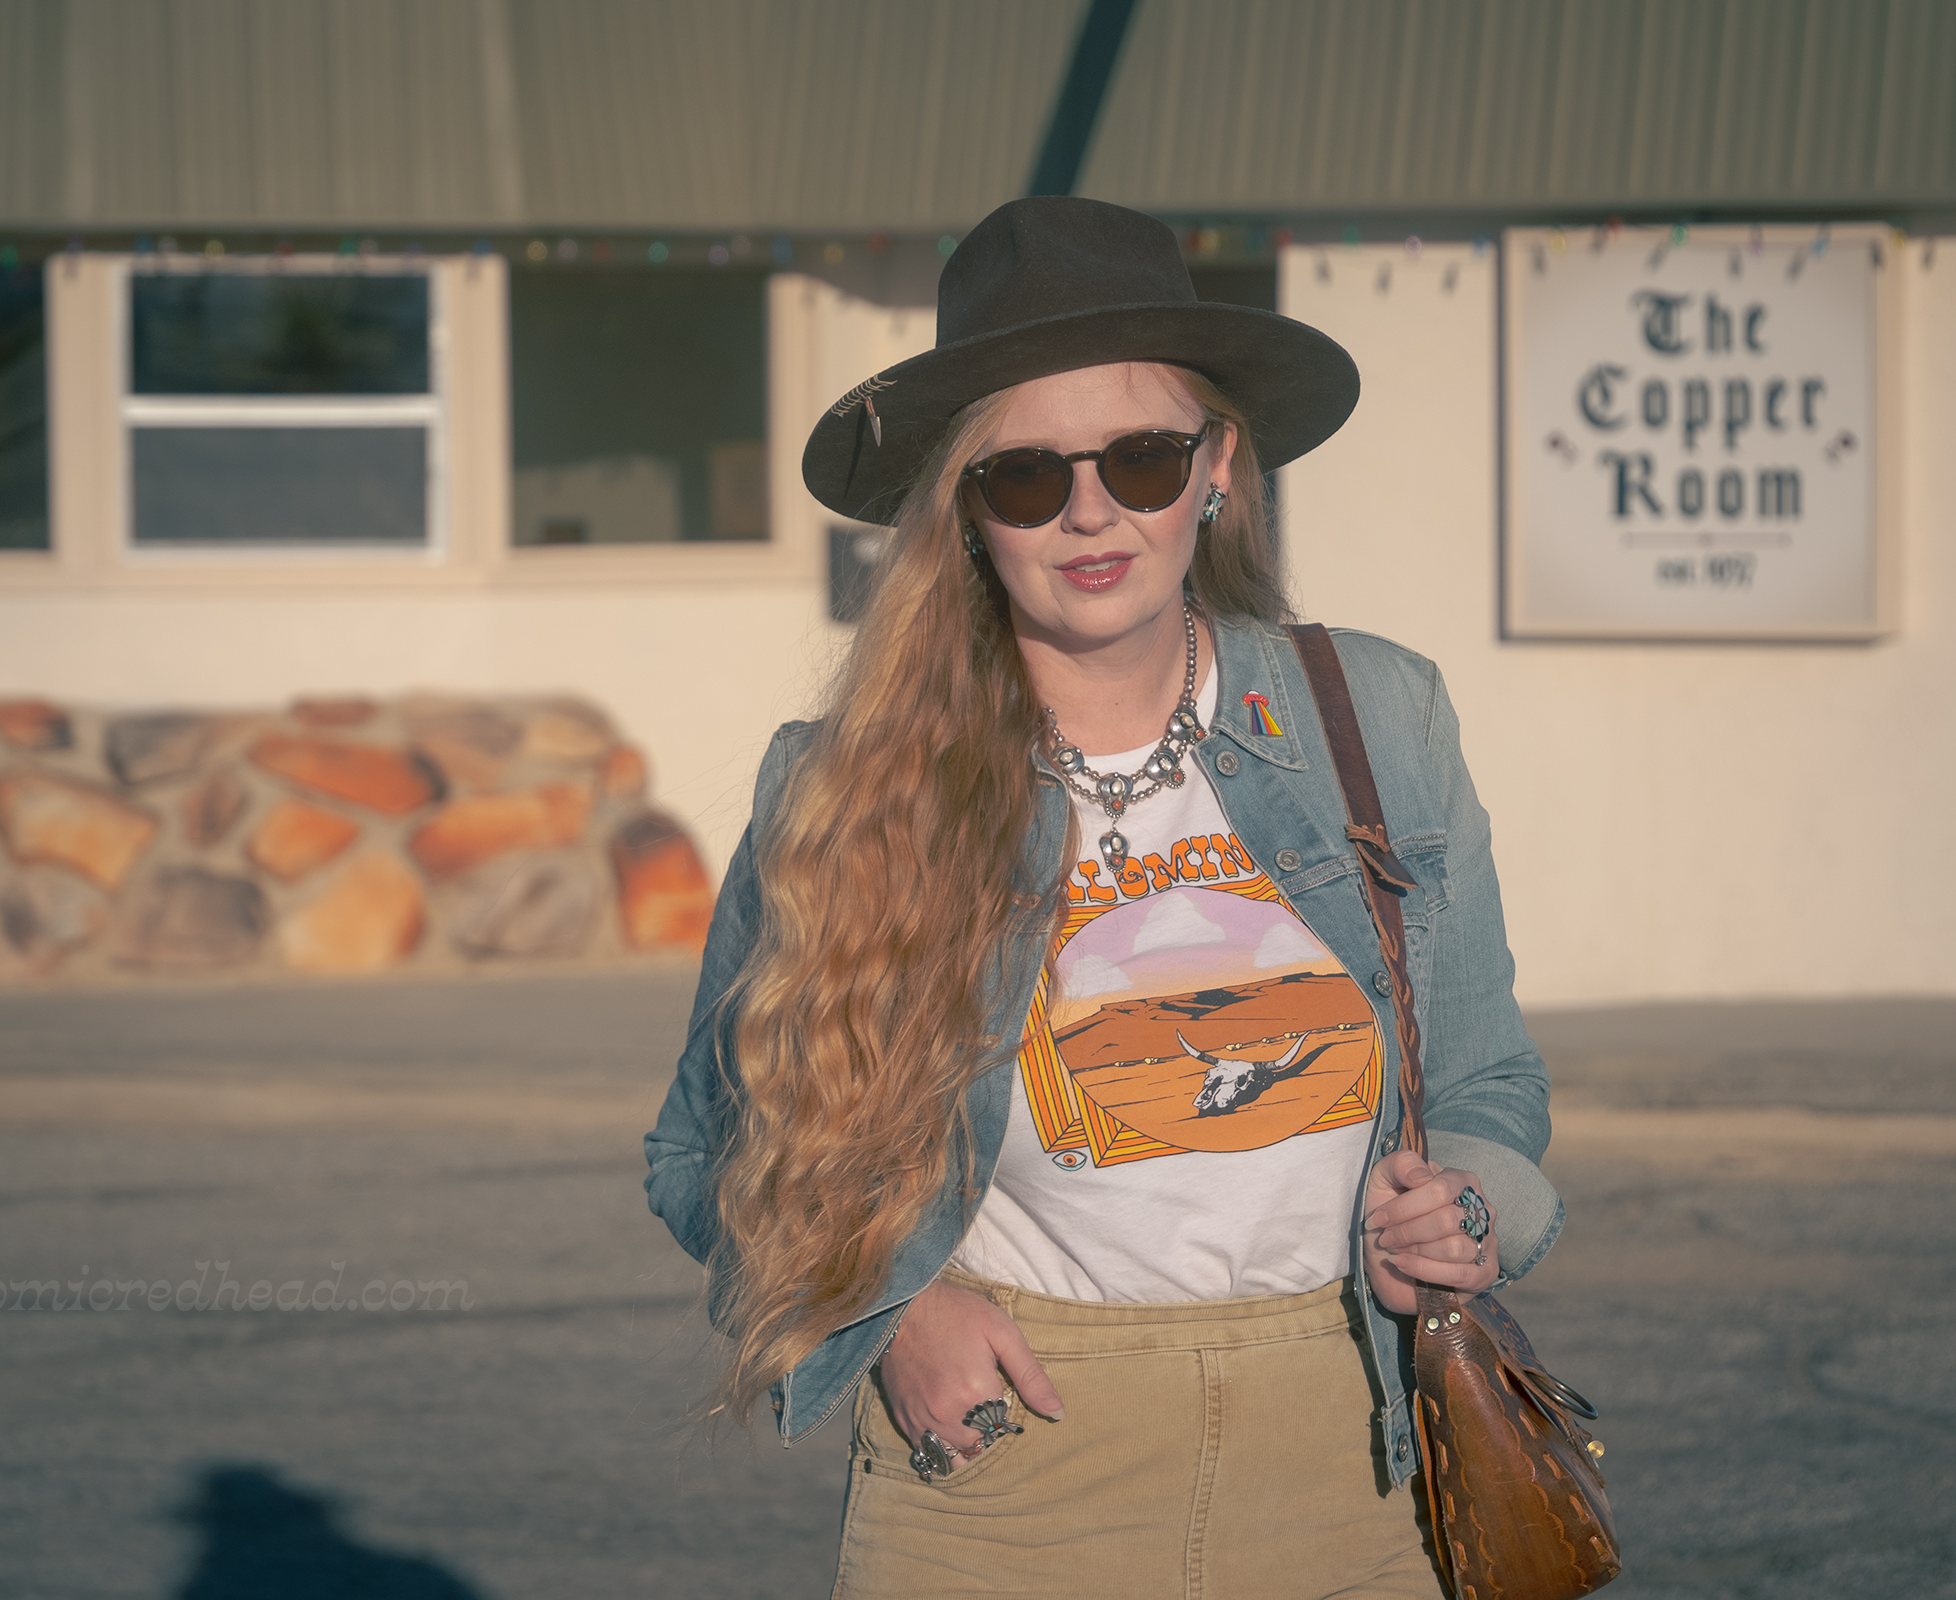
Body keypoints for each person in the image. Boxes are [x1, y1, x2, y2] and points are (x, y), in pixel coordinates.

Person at [646, 197, 1561, 1599]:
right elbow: (702, 1148)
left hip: (1351, 1455)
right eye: (1024, 478)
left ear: (1217, 469)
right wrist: (885, 1313)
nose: (1089, 512)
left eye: (1140, 458)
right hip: (1008, 1472)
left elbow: (1488, 1081)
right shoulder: (848, 785)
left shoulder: (1373, 714)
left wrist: (1474, 1214)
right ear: (964, 510)